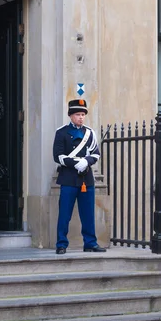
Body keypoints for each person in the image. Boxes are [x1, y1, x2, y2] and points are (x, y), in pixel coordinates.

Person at [52, 99, 106, 254]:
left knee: (88, 213)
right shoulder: (61, 132)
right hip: (68, 178)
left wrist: (86, 161)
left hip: (85, 179)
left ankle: (90, 243)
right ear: (70, 115)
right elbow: (58, 156)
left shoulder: (89, 133)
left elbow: (96, 153)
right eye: (77, 114)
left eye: (83, 114)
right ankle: (61, 244)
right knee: (64, 214)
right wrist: (76, 162)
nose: (81, 117)